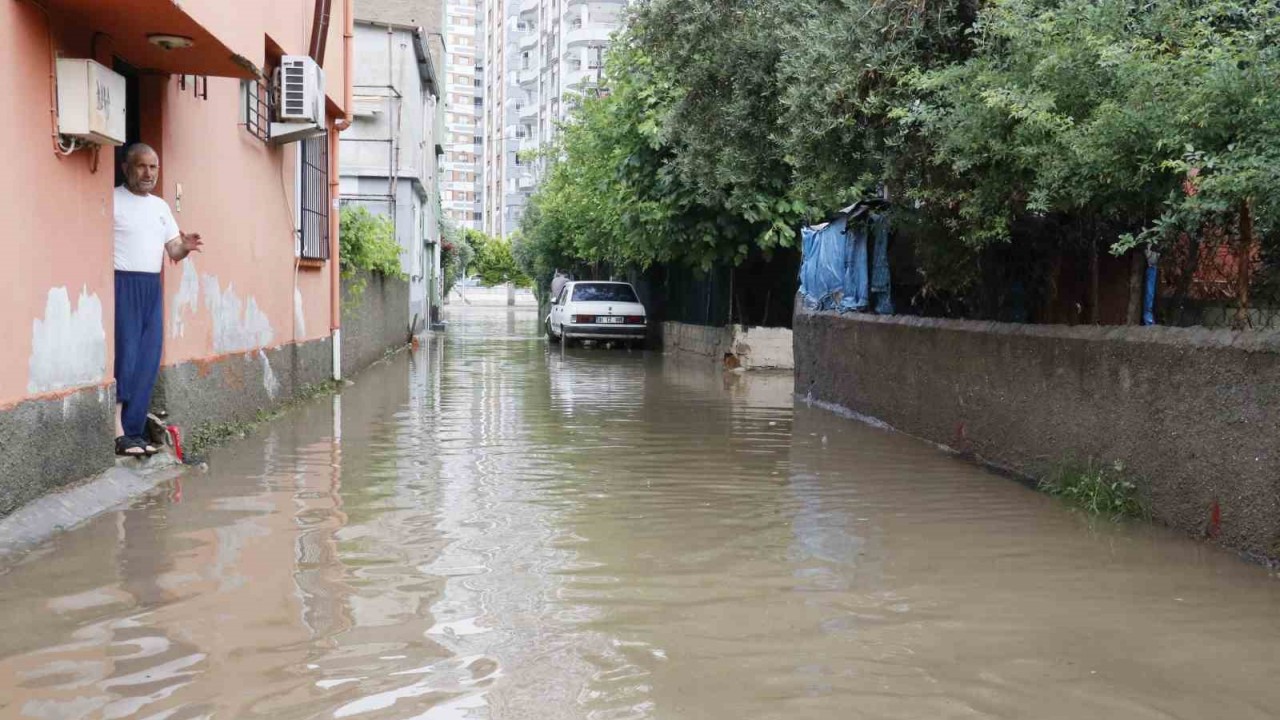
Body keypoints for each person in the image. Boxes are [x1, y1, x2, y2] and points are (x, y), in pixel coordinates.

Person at [113, 143, 203, 457]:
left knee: (148, 360)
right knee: (126, 358)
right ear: (126, 168)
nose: (148, 173)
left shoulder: (160, 207)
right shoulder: (113, 200)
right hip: (122, 284)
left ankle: (135, 433)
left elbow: (173, 250)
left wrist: (186, 246)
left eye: (153, 167)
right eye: (141, 166)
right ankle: (118, 434)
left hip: (151, 286)